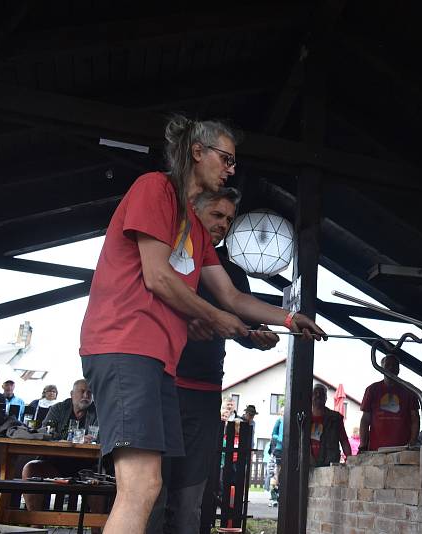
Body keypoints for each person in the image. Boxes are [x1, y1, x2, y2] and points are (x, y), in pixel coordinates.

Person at [79, 115, 326, 534]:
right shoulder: (156, 188)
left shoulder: (196, 229)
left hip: (160, 362)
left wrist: (288, 317)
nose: (231, 168)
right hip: (124, 345)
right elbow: (157, 276)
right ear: (197, 152)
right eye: (226, 158)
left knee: (151, 485)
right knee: (140, 488)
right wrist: (216, 318)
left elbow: (232, 296)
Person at [147, 187, 280, 534]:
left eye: (229, 220)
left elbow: (241, 322)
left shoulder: (231, 272)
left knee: (191, 499)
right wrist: (185, 325)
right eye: (217, 216)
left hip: (205, 393)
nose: (223, 225)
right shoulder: (167, 256)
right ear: (194, 211)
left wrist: (257, 336)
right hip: (161, 386)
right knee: (150, 495)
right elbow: (147, 307)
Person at [22, 379, 99, 511]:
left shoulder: (99, 412)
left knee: (101, 478)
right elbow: (46, 432)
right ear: (71, 394)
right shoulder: (58, 408)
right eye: (82, 392)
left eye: (89, 393)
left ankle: (98, 529)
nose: (86, 396)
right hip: (55, 464)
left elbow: (102, 437)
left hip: (87, 467)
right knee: (30, 469)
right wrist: (75, 438)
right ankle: (35, 525)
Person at [359, 355, 419, 452]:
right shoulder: (372, 390)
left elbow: (415, 418)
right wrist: (363, 445)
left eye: (394, 365)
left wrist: (412, 443)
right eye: (388, 365)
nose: (391, 368)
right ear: (381, 368)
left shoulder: (409, 390)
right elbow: (365, 420)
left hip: (403, 449)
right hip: (376, 450)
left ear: (399, 369)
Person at [309, 384, 351, 467]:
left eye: (321, 394)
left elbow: (344, 440)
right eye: (315, 393)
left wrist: (350, 459)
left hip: (329, 465)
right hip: (308, 466)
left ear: (326, 398)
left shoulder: (335, 418)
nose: (318, 396)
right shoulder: (304, 418)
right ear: (311, 397)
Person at [268, 408, 284, 506]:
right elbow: (274, 434)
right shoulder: (279, 421)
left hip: (288, 449)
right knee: (277, 472)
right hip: (279, 449)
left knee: (284, 473)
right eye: (282, 412)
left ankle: (281, 495)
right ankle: (274, 497)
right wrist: (281, 438)